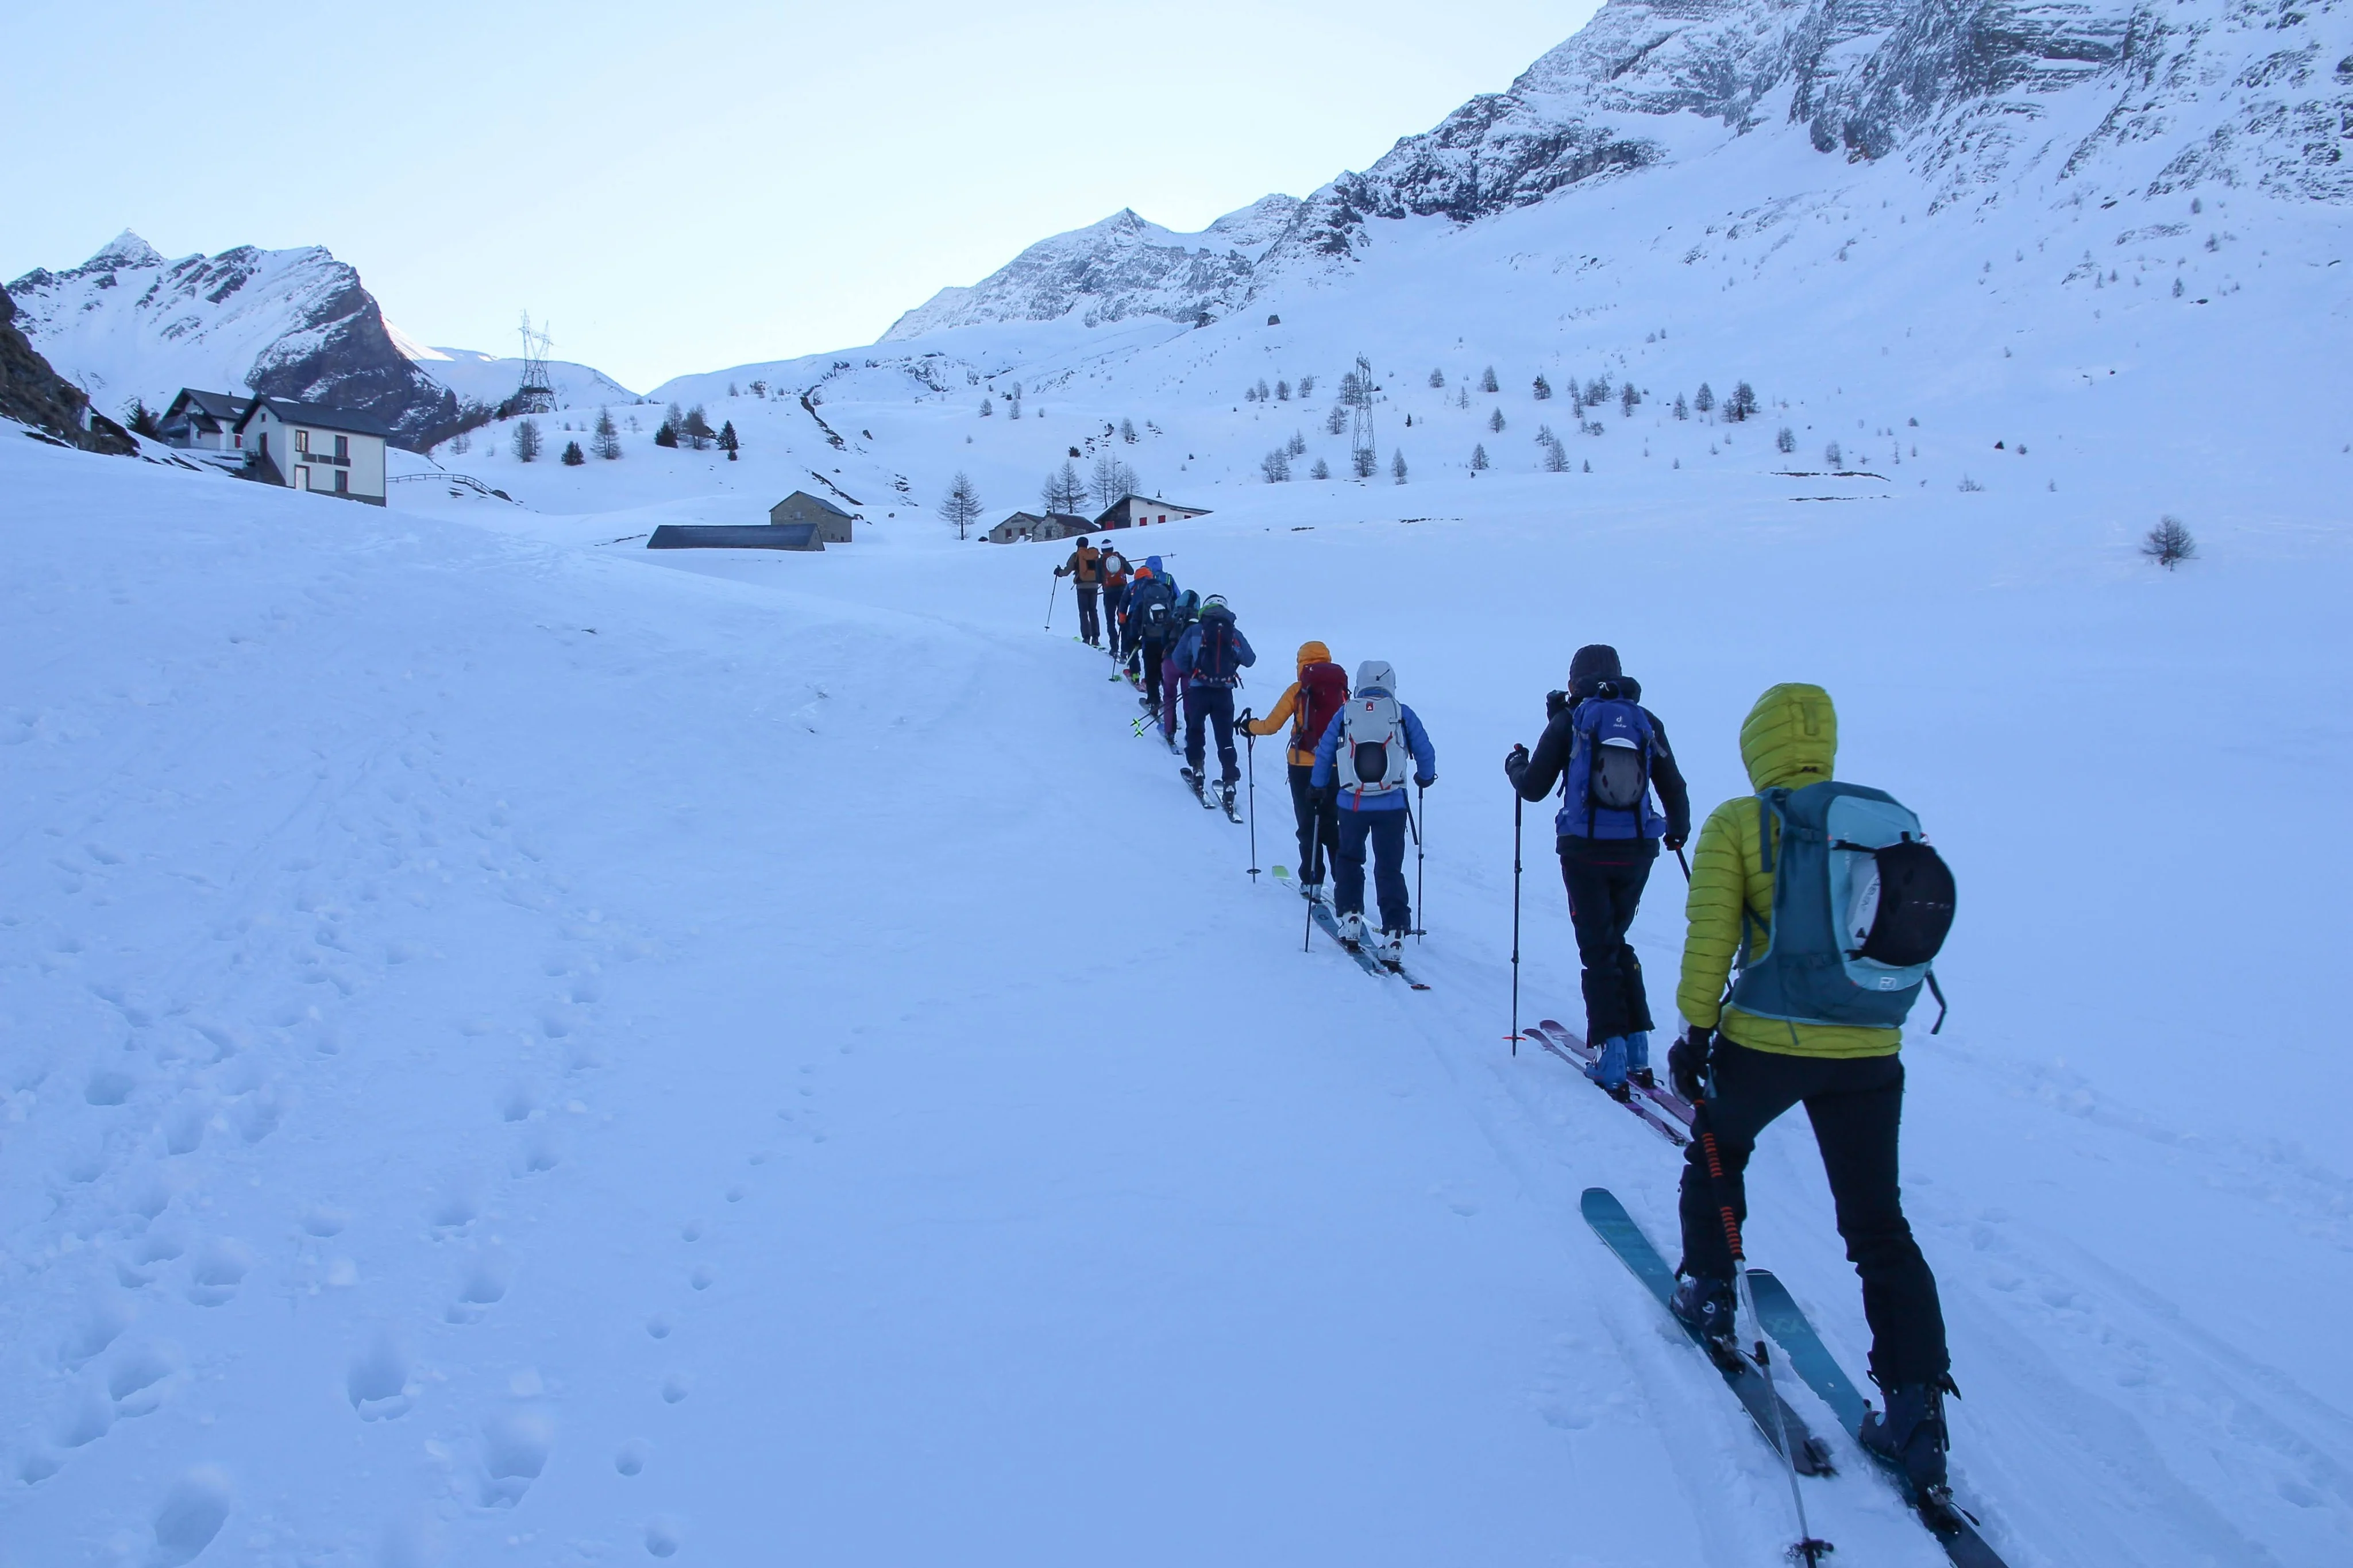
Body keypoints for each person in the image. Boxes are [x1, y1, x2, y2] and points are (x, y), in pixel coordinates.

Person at [1665, 682, 1957, 1495]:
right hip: (1870, 1051)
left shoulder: (1739, 821)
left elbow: (1710, 938)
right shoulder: (1882, 822)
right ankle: (1917, 1411)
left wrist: (1694, 1033)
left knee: (1718, 1149)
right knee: (1878, 1225)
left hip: (1766, 1041)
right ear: (1823, 744)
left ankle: (1710, 1288)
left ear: (1754, 748)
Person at [1503, 644, 1690, 1100]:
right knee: (1615, 939)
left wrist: (1515, 765)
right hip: (1638, 849)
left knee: (1597, 949)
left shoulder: (1571, 721)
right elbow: (1673, 785)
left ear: (1574, 681)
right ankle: (1637, 1045)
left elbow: (1534, 787)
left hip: (1585, 849)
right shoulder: (1644, 719)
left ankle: (1612, 1054)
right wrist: (1677, 832)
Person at [1309, 661, 1436, 963]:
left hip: (1351, 803)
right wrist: (1425, 777)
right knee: (1390, 868)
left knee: (1349, 859)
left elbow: (1325, 750)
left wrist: (1317, 786)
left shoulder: (1346, 712)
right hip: (1392, 805)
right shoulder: (1402, 712)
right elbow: (1425, 750)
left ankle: (1351, 918)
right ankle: (1395, 934)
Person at [1244, 643, 1348, 892]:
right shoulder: (1342, 691)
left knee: (1308, 823)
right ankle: (1344, 884)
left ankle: (1312, 881)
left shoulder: (1298, 689)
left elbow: (1271, 726)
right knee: (1333, 824)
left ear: (1301, 663)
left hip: (1302, 765)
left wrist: (1250, 726)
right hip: (1336, 765)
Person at [1172, 594, 1256, 807]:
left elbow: (1178, 658)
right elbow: (1250, 659)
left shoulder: (1194, 631)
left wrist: (1194, 672)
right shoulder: (1233, 633)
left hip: (1198, 691)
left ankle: (1198, 770)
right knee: (1225, 738)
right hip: (1224, 693)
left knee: (1195, 730)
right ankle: (1229, 781)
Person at [1123, 557, 1177, 705]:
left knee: (1151, 671)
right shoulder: (1166, 596)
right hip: (1165, 640)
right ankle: (1169, 703)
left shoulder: (1144, 600)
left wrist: (1134, 640)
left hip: (1149, 640)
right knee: (1164, 671)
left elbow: (1135, 622)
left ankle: (1154, 701)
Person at [1158, 589, 1199, 748]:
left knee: (1169, 696)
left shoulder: (1173, 615)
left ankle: (1169, 731)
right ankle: (1191, 735)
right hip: (1190, 665)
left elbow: (1164, 639)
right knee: (1190, 699)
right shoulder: (1200, 620)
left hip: (1171, 661)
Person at [1052, 538, 1104, 646]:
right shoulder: (1094, 555)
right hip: (1094, 586)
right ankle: (1096, 638)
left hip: (1082, 587)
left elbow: (1067, 571)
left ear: (1078, 545)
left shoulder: (1076, 556)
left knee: (1083, 612)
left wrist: (1059, 572)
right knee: (1093, 611)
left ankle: (1086, 638)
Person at [1101, 546, 1132, 656]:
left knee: (1110, 621)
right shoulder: (1119, 557)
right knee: (1123, 619)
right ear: (1112, 548)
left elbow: (1098, 579)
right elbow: (1131, 571)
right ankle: (1124, 649)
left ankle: (1114, 648)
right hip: (1123, 592)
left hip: (1108, 593)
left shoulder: (1101, 561)